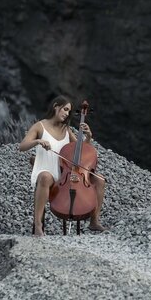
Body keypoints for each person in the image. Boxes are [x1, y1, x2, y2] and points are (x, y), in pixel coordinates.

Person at [19, 95, 108, 236]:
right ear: (56, 107)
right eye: (65, 109)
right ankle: (38, 226)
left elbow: (82, 150)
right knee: (45, 177)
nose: (66, 113)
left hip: (65, 174)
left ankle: (94, 221)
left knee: (100, 179)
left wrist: (88, 136)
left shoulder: (66, 129)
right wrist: (37, 141)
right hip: (47, 172)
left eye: (69, 111)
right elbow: (22, 146)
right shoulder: (40, 126)